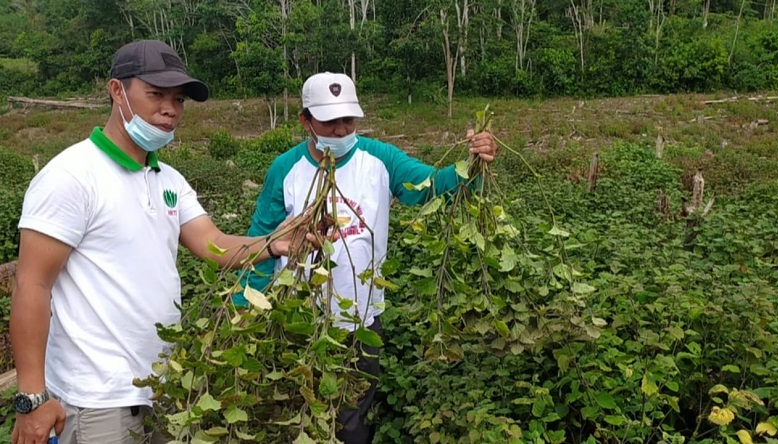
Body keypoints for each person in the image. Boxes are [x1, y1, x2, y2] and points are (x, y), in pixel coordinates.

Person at [9, 40, 321, 444]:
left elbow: (213, 243)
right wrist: (32, 397)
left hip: (165, 386)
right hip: (97, 399)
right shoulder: (72, 176)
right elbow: (32, 285)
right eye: (155, 94)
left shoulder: (168, 179)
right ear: (117, 90)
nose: (169, 109)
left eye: (178, 99)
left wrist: (276, 242)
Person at [234, 72, 498, 443]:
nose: (341, 131)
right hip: (298, 321)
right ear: (305, 121)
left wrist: (472, 165)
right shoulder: (285, 169)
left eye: (349, 120)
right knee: (298, 414)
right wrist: (243, 308)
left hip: (361, 319)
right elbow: (261, 242)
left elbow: (433, 188)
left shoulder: (380, 158)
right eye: (330, 122)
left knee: (352, 417)